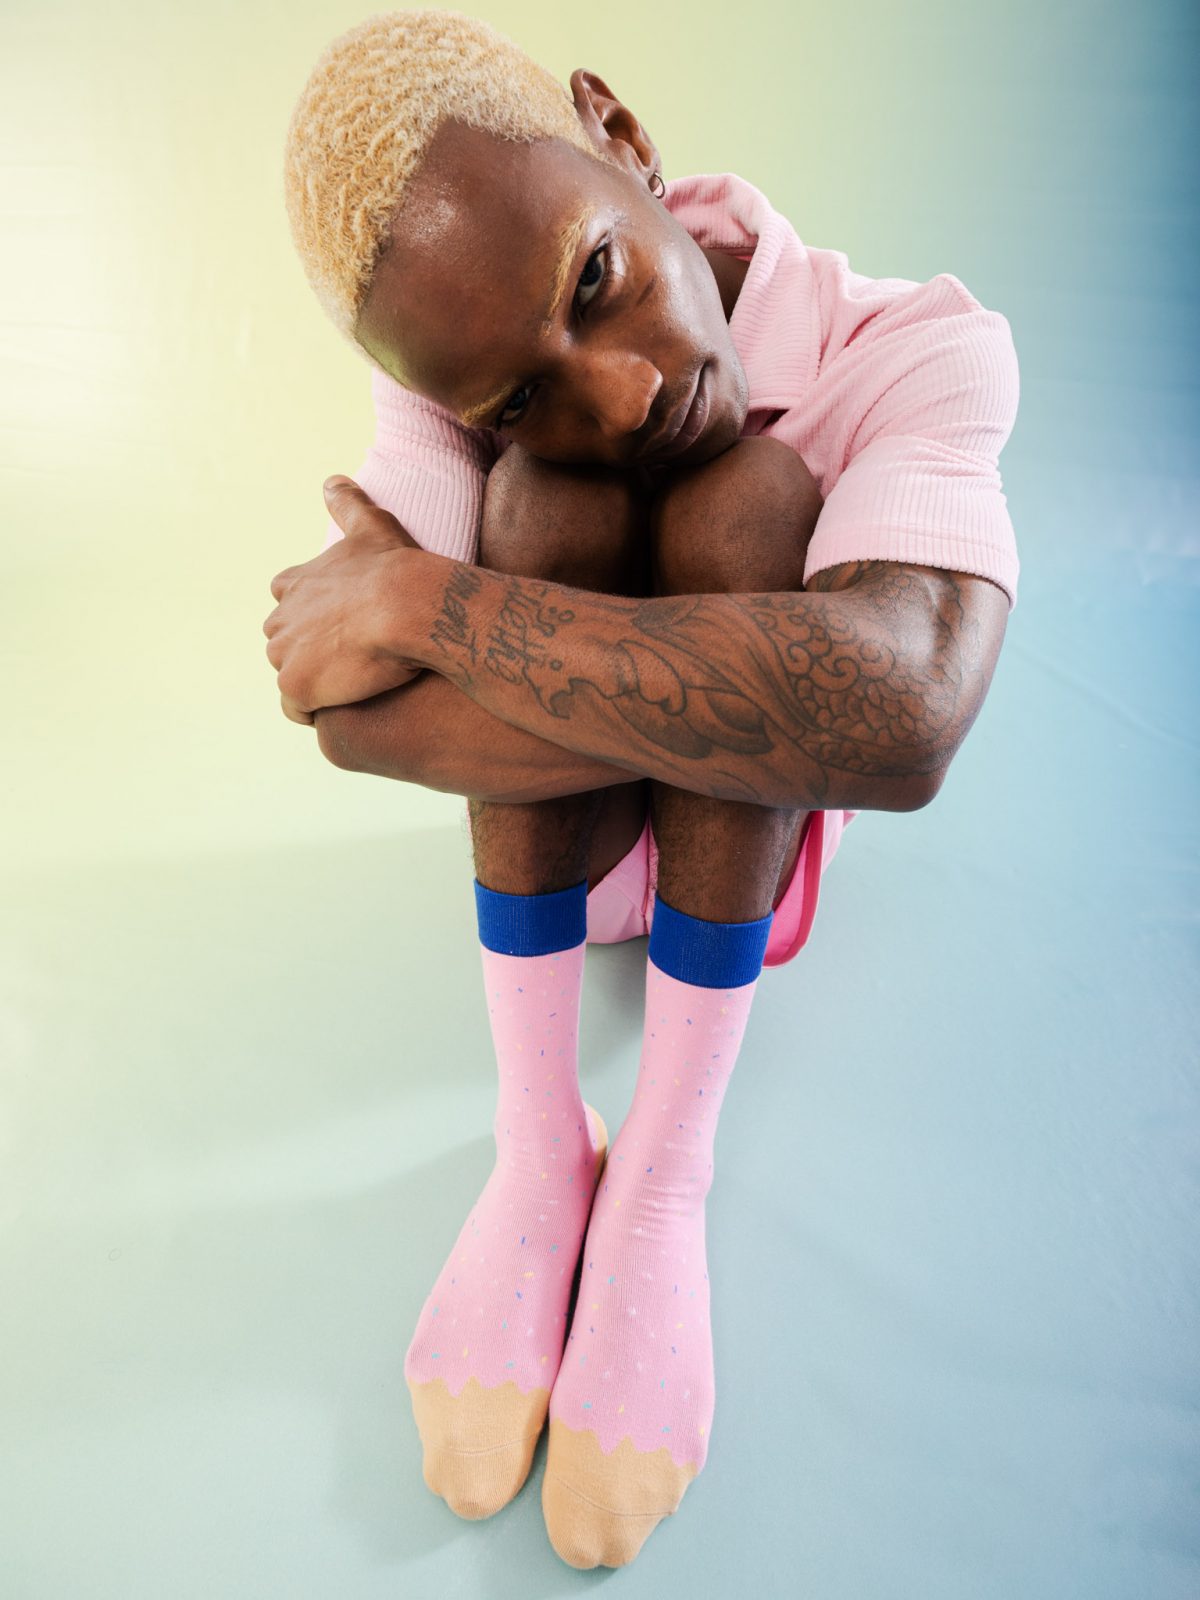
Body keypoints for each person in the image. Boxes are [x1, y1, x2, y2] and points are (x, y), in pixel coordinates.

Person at [265, 8, 1019, 1570]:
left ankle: (663, 1173)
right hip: (573, 863)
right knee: (547, 507)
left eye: (596, 280)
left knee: (748, 500)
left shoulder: (919, 349)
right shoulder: (455, 364)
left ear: (619, 134)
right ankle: (540, 1147)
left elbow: (903, 717)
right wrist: (762, 688)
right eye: (511, 400)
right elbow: (345, 717)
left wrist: (423, 603)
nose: (614, 397)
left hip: (741, 887)